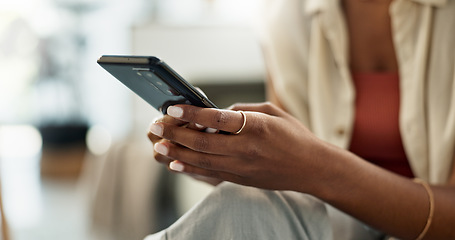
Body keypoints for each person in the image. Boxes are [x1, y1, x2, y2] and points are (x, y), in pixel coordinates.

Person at [145, 0, 455, 239]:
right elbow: (290, 179)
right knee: (244, 202)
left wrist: (319, 168)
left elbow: (307, 168)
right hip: (334, 224)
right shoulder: (287, 17)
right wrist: (224, 161)